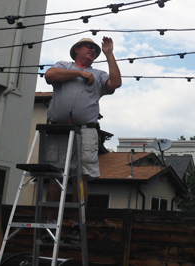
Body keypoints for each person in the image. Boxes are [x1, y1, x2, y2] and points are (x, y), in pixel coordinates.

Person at [43, 36, 121, 240]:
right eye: (90, 47)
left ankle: (77, 225)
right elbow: (49, 75)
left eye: (96, 50)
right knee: (56, 177)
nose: (93, 51)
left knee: (81, 177)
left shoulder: (99, 74)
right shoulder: (64, 66)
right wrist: (80, 74)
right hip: (59, 130)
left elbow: (116, 82)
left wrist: (109, 54)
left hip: (86, 131)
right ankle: (50, 225)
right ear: (77, 49)